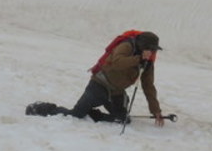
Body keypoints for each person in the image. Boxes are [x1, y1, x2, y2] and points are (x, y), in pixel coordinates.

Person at [26, 31, 167, 126]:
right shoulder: (126, 46)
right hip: (99, 85)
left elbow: (148, 86)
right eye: (152, 48)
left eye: (154, 49)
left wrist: (156, 111)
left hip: (117, 93)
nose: (153, 52)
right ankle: (42, 108)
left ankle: (92, 114)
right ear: (143, 46)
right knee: (76, 115)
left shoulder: (147, 62)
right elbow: (116, 62)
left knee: (122, 120)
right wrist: (138, 59)